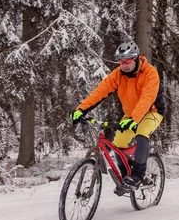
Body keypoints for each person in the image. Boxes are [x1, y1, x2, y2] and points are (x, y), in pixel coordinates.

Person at [70, 42, 166, 194]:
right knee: (118, 143)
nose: (123, 65)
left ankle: (137, 176)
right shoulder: (118, 74)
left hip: (152, 111)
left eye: (127, 61)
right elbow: (100, 91)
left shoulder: (150, 73)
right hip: (130, 114)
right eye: (120, 61)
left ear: (135, 59)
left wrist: (134, 119)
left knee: (141, 134)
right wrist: (81, 109)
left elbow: (147, 98)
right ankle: (125, 176)